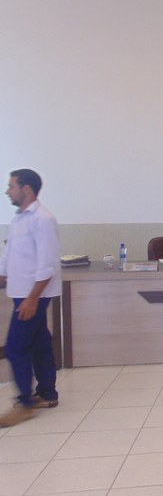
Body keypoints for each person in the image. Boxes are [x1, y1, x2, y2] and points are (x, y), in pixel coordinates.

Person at [0, 169, 61, 427]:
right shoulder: (19, 218)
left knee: (15, 348)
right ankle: (47, 394)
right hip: (20, 292)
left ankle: (24, 403)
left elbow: (47, 265)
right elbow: (10, 255)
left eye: (11, 186)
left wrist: (33, 299)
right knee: (39, 344)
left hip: (33, 295)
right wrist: (2, 276)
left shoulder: (42, 219)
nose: (7, 191)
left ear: (26, 189)